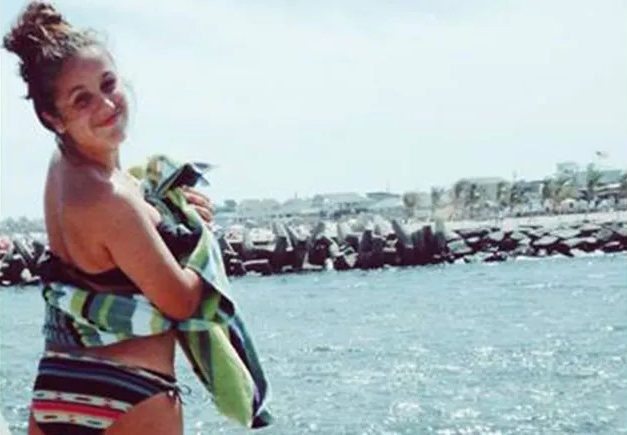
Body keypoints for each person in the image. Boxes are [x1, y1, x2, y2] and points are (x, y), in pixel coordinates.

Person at [3, 3, 224, 434]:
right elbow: (182, 302)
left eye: (108, 84)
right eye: (81, 99)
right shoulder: (110, 198)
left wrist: (162, 210)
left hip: (58, 385)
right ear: (53, 118)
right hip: (131, 390)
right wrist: (202, 235)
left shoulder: (63, 170)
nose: (106, 104)